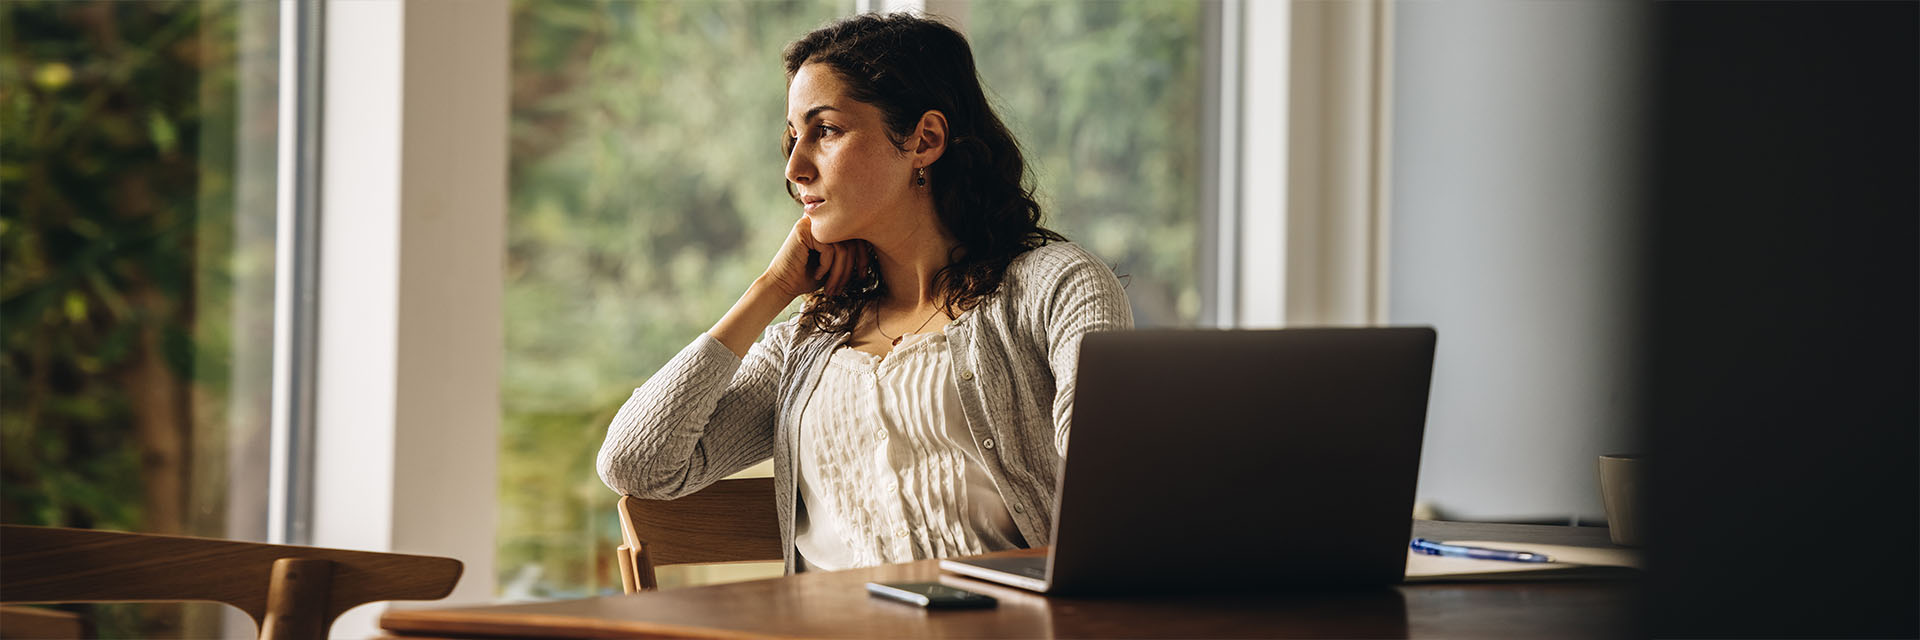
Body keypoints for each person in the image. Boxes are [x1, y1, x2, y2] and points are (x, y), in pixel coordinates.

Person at [596, 13, 1131, 574]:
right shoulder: (805, 348)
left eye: (825, 131)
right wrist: (771, 289)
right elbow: (638, 464)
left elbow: (1110, 481)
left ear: (924, 139)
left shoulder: (1055, 288)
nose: (795, 167)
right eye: (792, 136)